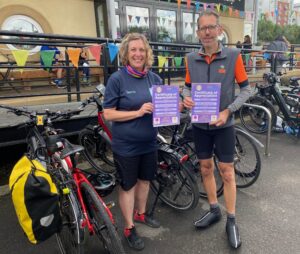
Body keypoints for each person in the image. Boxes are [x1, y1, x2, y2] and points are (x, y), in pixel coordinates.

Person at [182, 10, 251, 249]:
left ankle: (231, 219)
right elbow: (187, 88)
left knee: (228, 172)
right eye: (203, 28)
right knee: (205, 167)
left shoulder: (233, 55)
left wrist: (228, 111)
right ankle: (214, 210)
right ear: (198, 32)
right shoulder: (191, 58)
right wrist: (186, 97)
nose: (208, 32)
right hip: (200, 125)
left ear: (219, 30)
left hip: (224, 125)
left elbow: (246, 89)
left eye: (212, 27)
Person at [103, 33, 162, 251]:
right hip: (126, 145)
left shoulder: (154, 79)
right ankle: (128, 227)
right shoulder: (117, 79)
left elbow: (165, 108)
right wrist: (137, 113)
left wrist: (179, 106)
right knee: (128, 185)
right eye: (133, 50)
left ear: (147, 54)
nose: (138, 54)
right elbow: (108, 114)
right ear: (126, 54)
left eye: (142, 50)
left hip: (149, 142)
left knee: (145, 181)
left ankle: (141, 214)